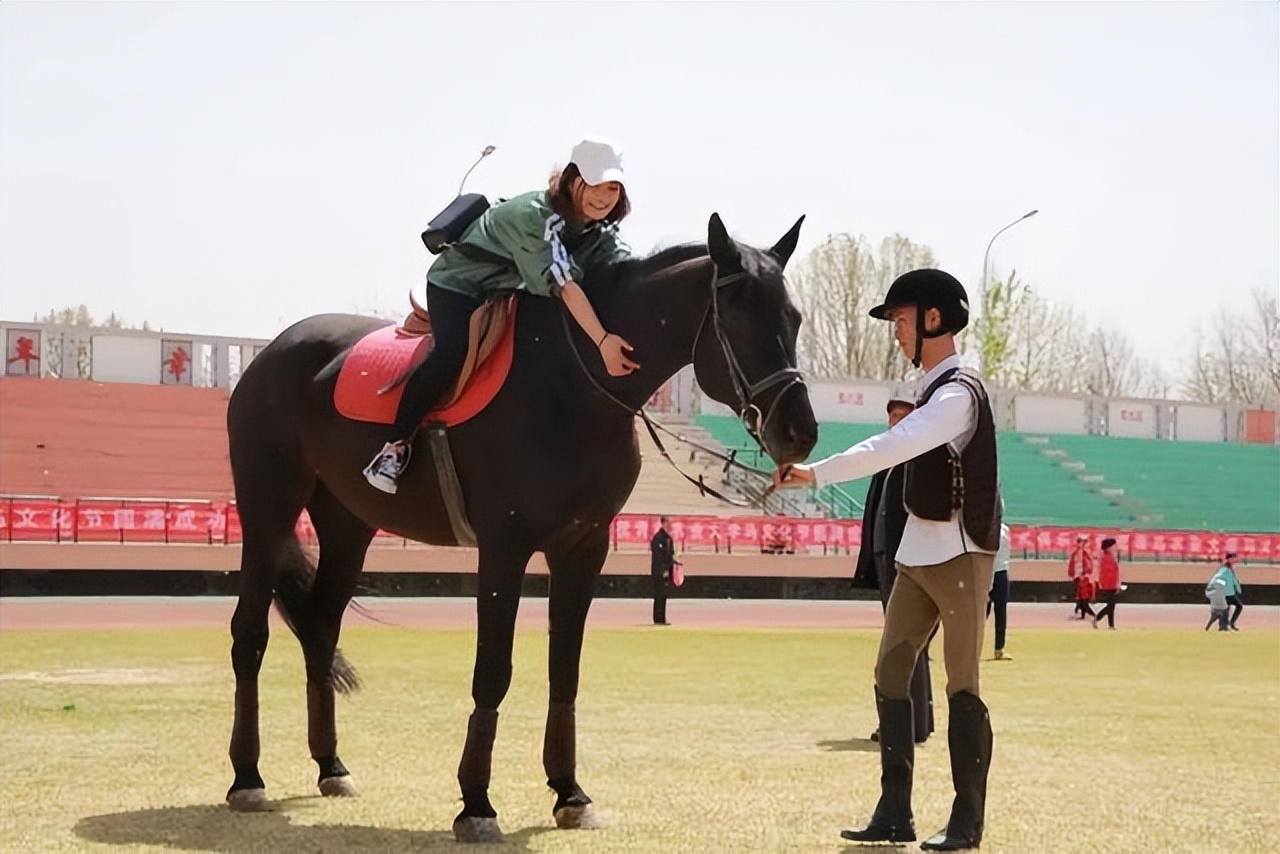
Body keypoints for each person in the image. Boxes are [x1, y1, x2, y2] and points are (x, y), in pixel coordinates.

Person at [774, 269, 1000, 851]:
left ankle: (967, 821)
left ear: (932, 319)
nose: (896, 331)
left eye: (901, 319)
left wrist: (817, 472)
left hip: (962, 556)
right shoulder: (927, 389)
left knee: (962, 686)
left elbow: (893, 446)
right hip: (918, 554)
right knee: (889, 674)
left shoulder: (957, 395)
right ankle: (894, 812)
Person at [364, 137, 639, 493]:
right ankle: (394, 448)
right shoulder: (534, 216)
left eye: (613, 188)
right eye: (595, 185)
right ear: (573, 180)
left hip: (512, 290)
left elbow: (620, 266)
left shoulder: (595, 228)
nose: (604, 197)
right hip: (460, 285)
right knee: (453, 352)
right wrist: (602, 341)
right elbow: (566, 285)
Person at [853, 397, 934, 745]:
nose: (895, 423)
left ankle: (902, 725)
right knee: (907, 643)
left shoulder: (919, 461)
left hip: (908, 562)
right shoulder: (885, 461)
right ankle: (917, 723)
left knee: (901, 645)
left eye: (903, 417)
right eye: (892, 418)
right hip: (887, 559)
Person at [986, 521, 1012, 660]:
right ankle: (971, 648)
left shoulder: (1005, 529)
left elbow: (1005, 555)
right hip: (986, 572)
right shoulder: (984, 528)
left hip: (1001, 572)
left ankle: (999, 648)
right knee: (981, 613)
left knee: (1001, 611)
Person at [1208, 552, 1244, 630]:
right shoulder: (1224, 569)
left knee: (1227, 608)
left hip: (1229, 592)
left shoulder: (1228, 567)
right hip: (1225, 592)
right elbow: (1218, 579)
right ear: (1229, 559)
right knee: (1236, 606)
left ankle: (1224, 625)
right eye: (1234, 558)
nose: (1235, 560)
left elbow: (1233, 579)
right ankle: (1227, 624)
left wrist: (1237, 588)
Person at [649, 516, 675, 626]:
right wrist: (663, 569)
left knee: (664, 595)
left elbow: (671, 555)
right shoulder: (658, 538)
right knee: (659, 594)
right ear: (663, 523)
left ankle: (662, 618)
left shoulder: (669, 539)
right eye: (669, 523)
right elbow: (658, 557)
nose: (671, 526)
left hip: (667, 571)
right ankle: (658, 618)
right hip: (658, 571)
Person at [1092, 537, 1122, 629]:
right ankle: (1099, 618)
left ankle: (1110, 624)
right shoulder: (1106, 558)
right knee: (1111, 604)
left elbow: (1115, 572)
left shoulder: (1111, 558)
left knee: (1111, 605)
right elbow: (1107, 573)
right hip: (1109, 584)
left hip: (1111, 583)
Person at [1067, 534, 1093, 619]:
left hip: (1083, 577)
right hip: (1078, 576)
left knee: (1082, 596)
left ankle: (1086, 612)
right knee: (1080, 595)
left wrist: (1085, 573)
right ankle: (1082, 611)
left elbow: (1088, 565)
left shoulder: (1085, 553)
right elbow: (1073, 564)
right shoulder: (1077, 553)